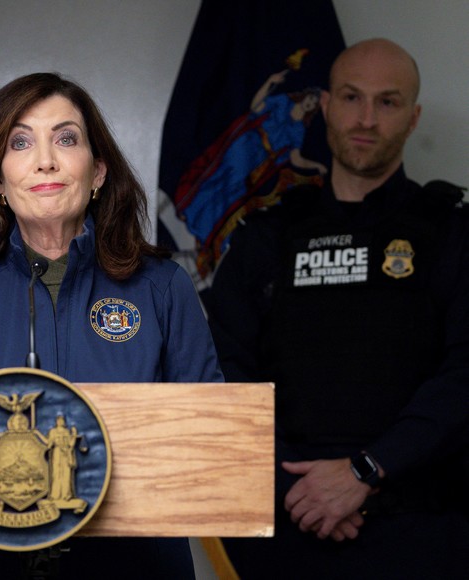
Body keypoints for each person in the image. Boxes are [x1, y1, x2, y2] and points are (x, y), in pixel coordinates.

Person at [0, 72, 223, 579]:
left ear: (98, 172)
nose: (45, 160)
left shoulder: (163, 287)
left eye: (66, 138)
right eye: (20, 142)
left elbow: (213, 440)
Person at [206, 38, 469, 579]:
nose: (366, 118)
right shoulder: (265, 236)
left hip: (421, 535)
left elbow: (464, 376)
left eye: (387, 102)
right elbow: (220, 374)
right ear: (325, 106)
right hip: (285, 527)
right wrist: (297, 488)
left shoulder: (453, 234)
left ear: (414, 117)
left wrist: (367, 471)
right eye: (351, 97)